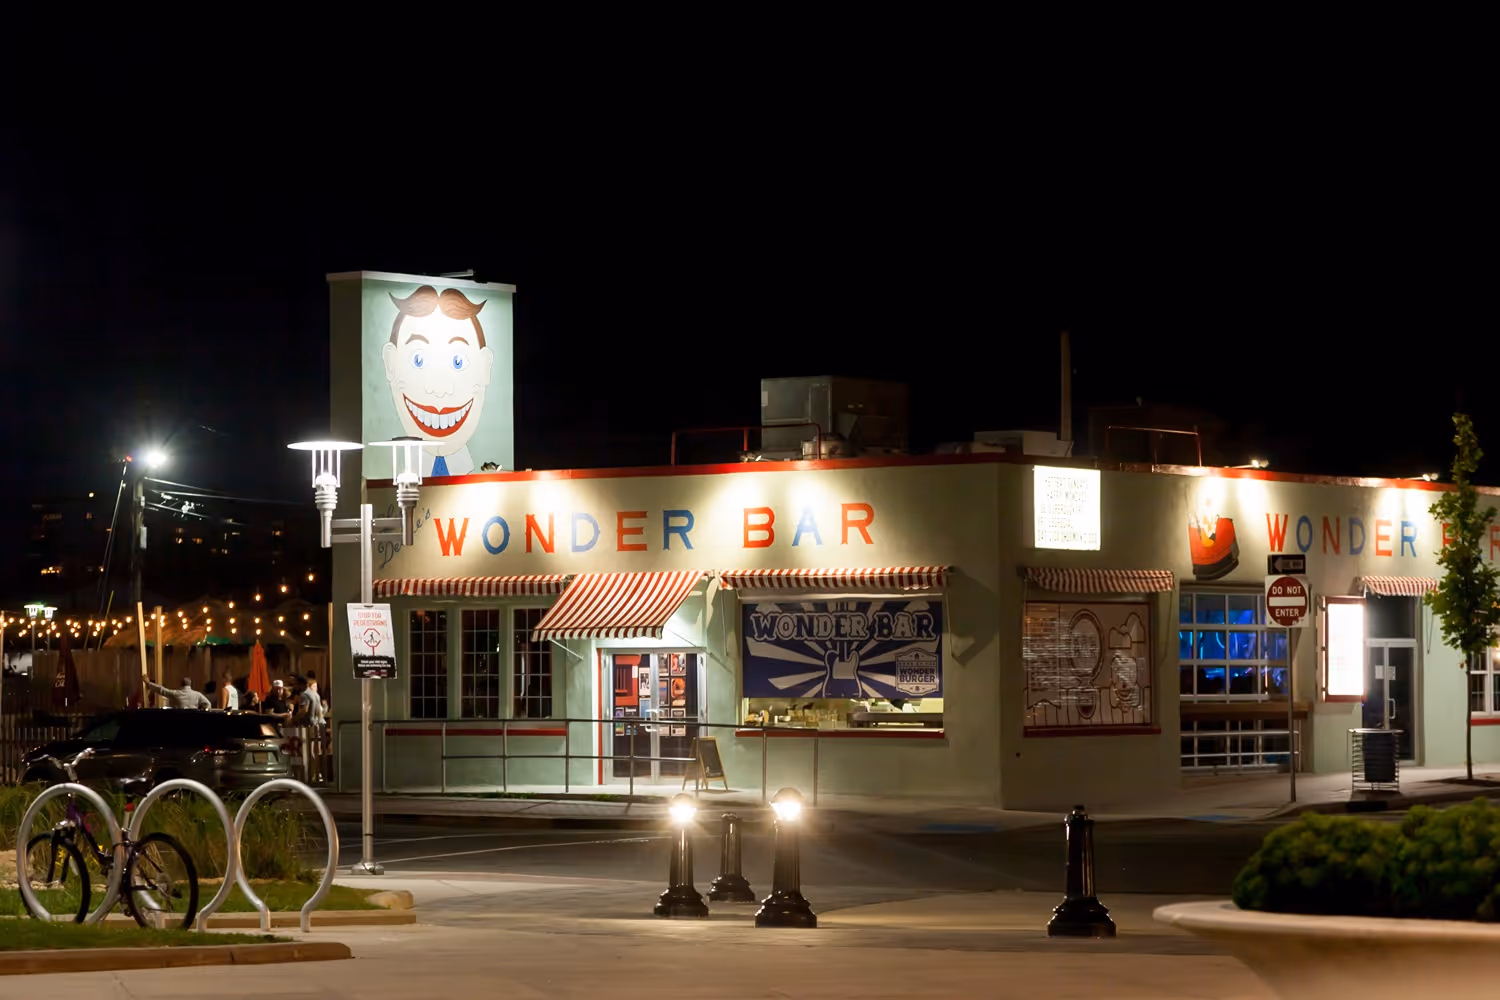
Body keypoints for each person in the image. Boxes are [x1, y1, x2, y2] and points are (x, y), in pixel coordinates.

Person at [146, 677, 211, 711]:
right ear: (190, 685)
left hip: (179, 723)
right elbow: (208, 704)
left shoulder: (176, 694)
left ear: (181, 684)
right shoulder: (197, 695)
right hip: (193, 722)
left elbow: (162, 690)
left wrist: (148, 683)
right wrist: (201, 709)